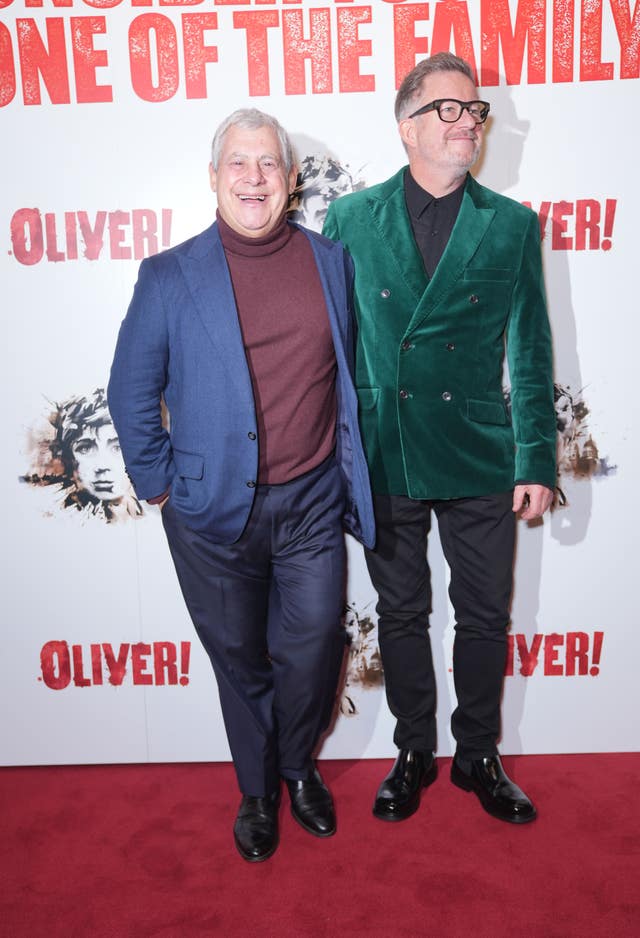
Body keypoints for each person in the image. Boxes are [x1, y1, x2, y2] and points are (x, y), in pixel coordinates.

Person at [108, 109, 375, 862]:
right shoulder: (169, 275)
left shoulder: (331, 261)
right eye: (239, 163)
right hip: (209, 513)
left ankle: (298, 768)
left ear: (289, 181)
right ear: (214, 177)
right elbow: (131, 390)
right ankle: (258, 789)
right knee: (240, 660)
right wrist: (161, 485)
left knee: (314, 645)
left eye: (268, 164)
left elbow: (347, 375)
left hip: (312, 502)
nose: (253, 177)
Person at [323, 52, 556, 825]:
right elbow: (332, 342)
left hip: (478, 449)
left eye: (476, 111)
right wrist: (337, 450)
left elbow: (529, 349)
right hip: (388, 445)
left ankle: (479, 753)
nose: (468, 124)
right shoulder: (352, 219)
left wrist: (535, 457)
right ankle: (414, 748)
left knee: (486, 613)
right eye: (449, 110)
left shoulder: (513, 226)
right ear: (406, 127)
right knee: (401, 611)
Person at [20, 388, 142, 523]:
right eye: (85, 449)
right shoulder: (51, 517)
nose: (102, 466)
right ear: (67, 458)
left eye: (117, 448)